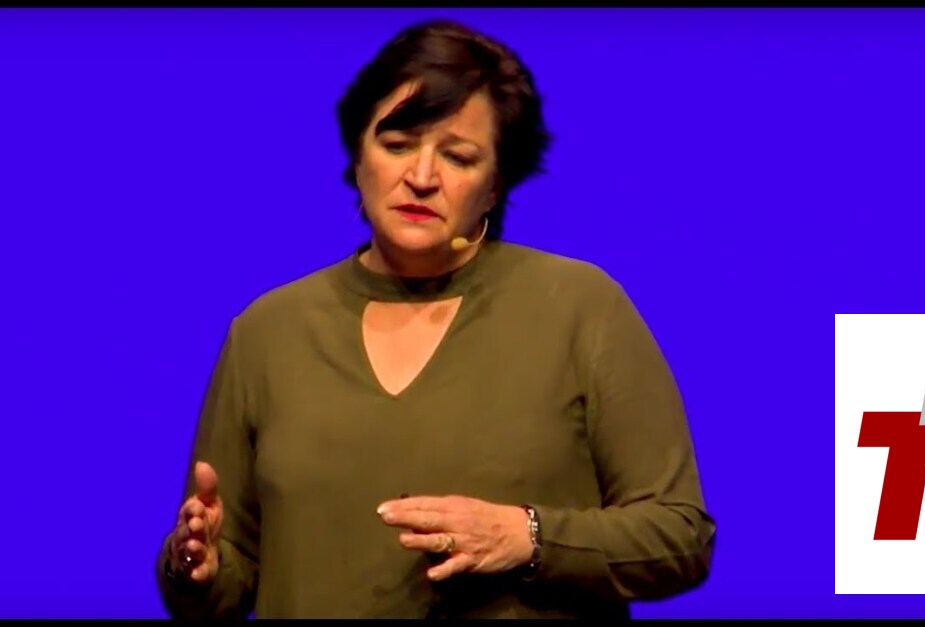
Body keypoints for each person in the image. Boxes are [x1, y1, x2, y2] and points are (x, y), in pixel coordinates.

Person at [154, 18, 716, 619]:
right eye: (397, 145)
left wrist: (527, 537)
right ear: (358, 156)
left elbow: (679, 536)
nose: (421, 178)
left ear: (495, 184)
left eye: (458, 156)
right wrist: (194, 566)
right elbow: (228, 575)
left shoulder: (580, 306)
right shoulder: (267, 331)